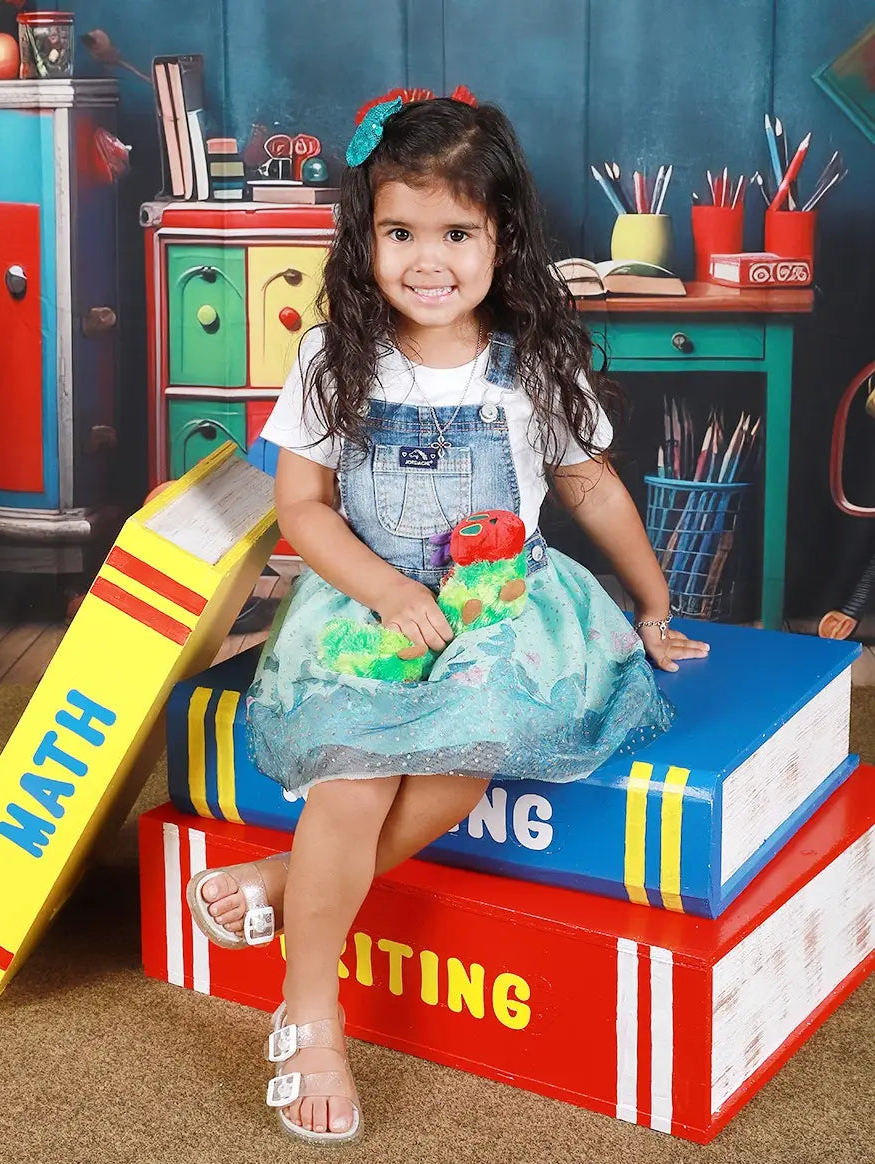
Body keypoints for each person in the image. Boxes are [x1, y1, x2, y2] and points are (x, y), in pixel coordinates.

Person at [186, 91, 710, 1145]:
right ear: (365, 237)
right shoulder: (336, 356)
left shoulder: (533, 361)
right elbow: (303, 507)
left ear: (500, 236)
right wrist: (385, 591)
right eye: (400, 232)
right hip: (367, 598)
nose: (429, 261)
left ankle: (285, 881)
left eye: (457, 233)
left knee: (465, 754)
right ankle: (312, 1011)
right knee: (354, 775)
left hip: (501, 607)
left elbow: (594, 488)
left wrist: (654, 604)